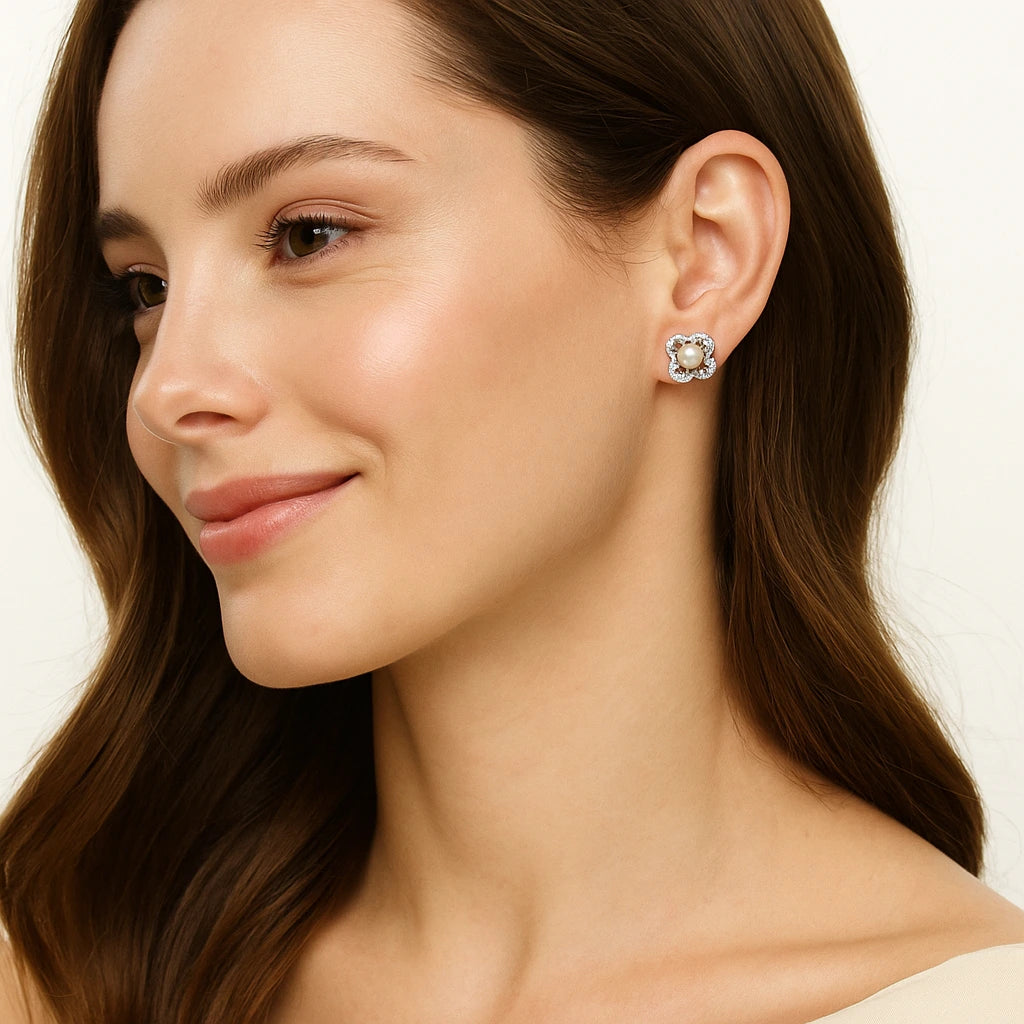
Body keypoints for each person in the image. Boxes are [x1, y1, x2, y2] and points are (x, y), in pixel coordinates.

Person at [1, 0, 1023, 1021]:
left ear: (704, 255)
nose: (167, 389)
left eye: (307, 235)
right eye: (144, 287)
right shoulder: (56, 978)